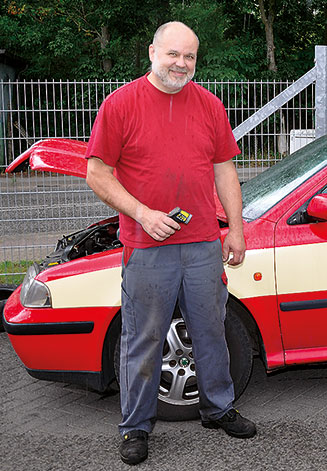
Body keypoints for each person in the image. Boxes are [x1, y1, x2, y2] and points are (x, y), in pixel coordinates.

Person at [85, 21, 256, 465]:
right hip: (146, 246)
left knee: (211, 332)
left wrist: (234, 229)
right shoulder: (120, 105)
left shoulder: (210, 106)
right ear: (152, 53)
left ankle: (218, 408)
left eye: (190, 56)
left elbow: (224, 171)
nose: (181, 63)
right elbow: (97, 172)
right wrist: (142, 213)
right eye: (173, 54)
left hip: (202, 243)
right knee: (143, 339)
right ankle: (135, 428)